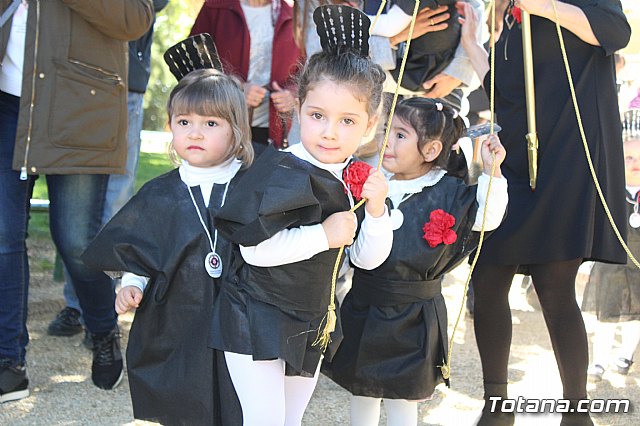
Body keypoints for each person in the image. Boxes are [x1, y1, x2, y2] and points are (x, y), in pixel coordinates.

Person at [210, 5, 393, 424]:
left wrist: (378, 210)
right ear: (297, 108)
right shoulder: (280, 170)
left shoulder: (356, 178)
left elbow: (367, 260)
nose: (330, 131)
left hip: (309, 319)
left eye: (347, 120)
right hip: (254, 315)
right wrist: (323, 236)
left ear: (370, 125)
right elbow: (256, 252)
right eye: (317, 116)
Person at [459, 1, 631, 425]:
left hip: (569, 155)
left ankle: (576, 410)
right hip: (518, 161)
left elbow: (615, 32)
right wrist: (470, 41)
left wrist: (543, 5)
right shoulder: (516, 21)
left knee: (555, 285)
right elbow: (502, 88)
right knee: (487, 275)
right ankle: (496, 405)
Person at [0, 0, 153, 403]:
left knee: (74, 239)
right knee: (1, 235)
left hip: (78, 104)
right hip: (7, 103)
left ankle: (102, 330)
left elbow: (136, 19)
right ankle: (8, 363)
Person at [323, 97, 508, 426]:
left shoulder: (450, 192)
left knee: (403, 396)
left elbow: (487, 217)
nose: (387, 142)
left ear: (432, 149)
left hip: (415, 313)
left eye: (400, 135)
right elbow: (359, 255)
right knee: (362, 390)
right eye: (386, 131)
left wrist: (492, 170)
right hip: (366, 302)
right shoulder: (375, 184)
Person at [82, 67, 250, 425]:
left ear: (236, 130)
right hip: (177, 319)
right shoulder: (159, 194)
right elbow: (139, 250)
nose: (195, 133)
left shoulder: (253, 186)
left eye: (210, 124)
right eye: (184, 121)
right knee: (183, 399)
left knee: (239, 401)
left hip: (239, 320)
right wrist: (130, 283)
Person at [48, 0, 170, 345]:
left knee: (112, 205)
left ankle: (102, 311)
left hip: (125, 80)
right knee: (78, 212)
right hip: (71, 80)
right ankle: (79, 304)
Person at [190, 0, 302, 149]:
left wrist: (292, 94)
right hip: (220, 124)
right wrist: (235, 88)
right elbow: (193, 65)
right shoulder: (215, 7)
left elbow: (304, 71)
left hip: (273, 132)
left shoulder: (293, 14)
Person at [582, 132, 640, 382]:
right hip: (610, 265)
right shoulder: (609, 193)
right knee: (606, 317)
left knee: (635, 317)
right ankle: (598, 361)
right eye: (628, 157)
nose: (634, 162)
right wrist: (587, 261)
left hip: (638, 266)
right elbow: (593, 228)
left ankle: (626, 355)